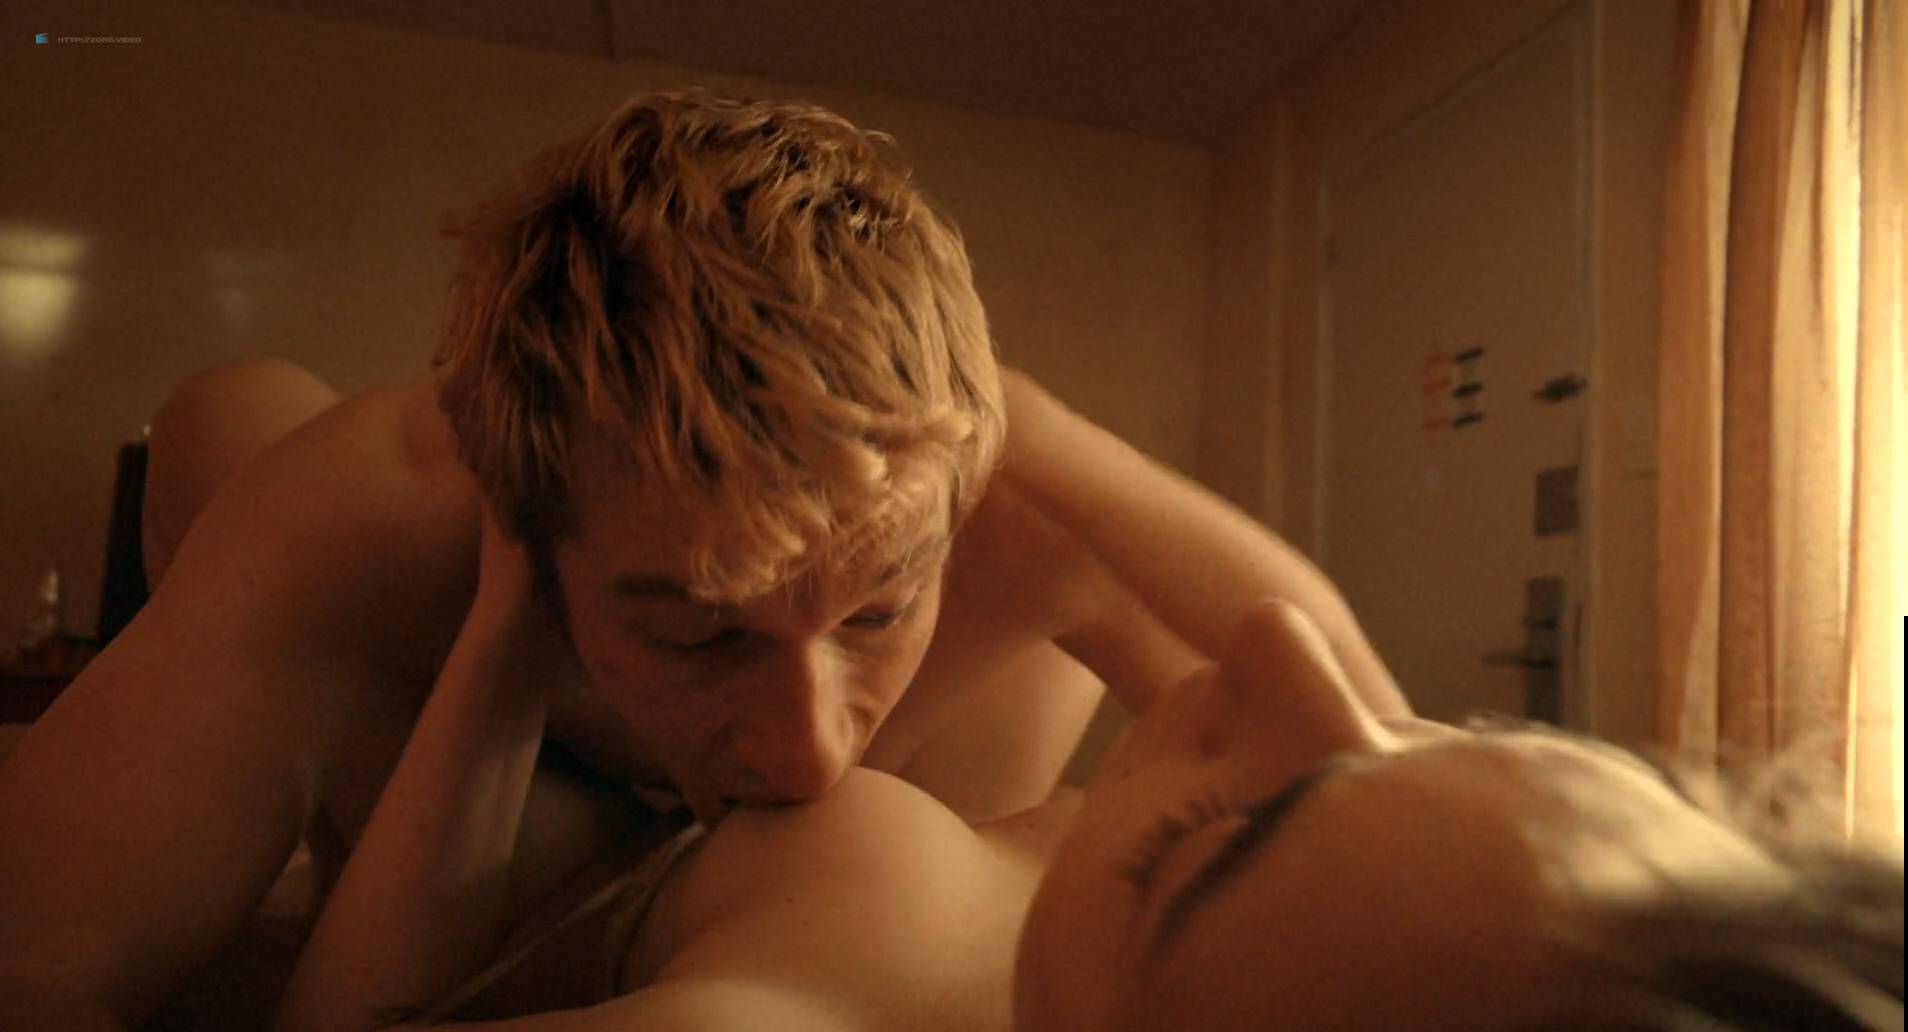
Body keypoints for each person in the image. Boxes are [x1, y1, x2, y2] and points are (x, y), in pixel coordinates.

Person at [0, 90, 1406, 1030]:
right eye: (698, 634)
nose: (807, 751)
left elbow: (1375, 760)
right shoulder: (373, 516)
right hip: (485, 789)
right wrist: (500, 643)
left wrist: (1023, 443)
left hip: (883, 838)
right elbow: (41, 967)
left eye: (878, 613)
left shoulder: (1008, 492)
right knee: (230, 415)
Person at [273, 599, 1905, 1031]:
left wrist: (506, 624)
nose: (1280, 649)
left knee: (250, 424)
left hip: (623, 864)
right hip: (876, 805)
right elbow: (1098, 550)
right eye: (1459, 737)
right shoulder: (1394, 920)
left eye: (1220, 846)